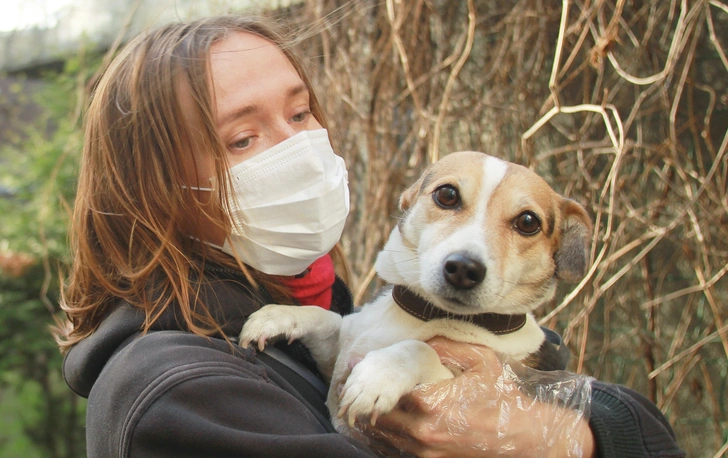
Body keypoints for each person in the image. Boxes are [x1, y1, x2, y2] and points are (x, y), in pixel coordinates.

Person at [56, 15, 685, 458]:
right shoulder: (178, 393)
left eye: (300, 113)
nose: (301, 148)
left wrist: (563, 431)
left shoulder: (315, 317)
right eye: (241, 138)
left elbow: (649, 434)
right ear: (154, 192)